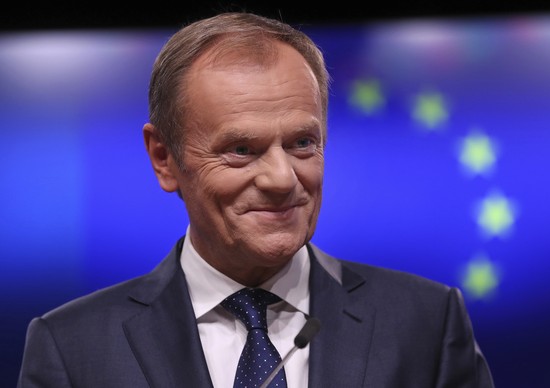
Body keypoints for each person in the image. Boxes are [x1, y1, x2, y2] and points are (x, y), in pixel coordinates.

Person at [17, 11, 495, 388]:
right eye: (242, 150)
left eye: (302, 143)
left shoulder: (427, 325)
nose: (283, 179)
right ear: (164, 158)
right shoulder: (72, 348)